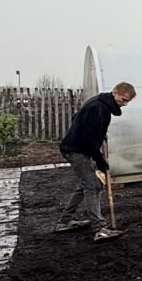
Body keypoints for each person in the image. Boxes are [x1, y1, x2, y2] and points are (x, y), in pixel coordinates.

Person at [54, 82, 136, 242]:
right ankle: (99, 229)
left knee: (85, 185)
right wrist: (99, 160)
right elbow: (87, 139)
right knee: (92, 186)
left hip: (78, 148)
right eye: (123, 100)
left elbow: (78, 119)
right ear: (115, 93)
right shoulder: (98, 107)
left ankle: (64, 222)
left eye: (127, 102)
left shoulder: (100, 103)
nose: (125, 104)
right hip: (77, 150)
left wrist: (100, 134)